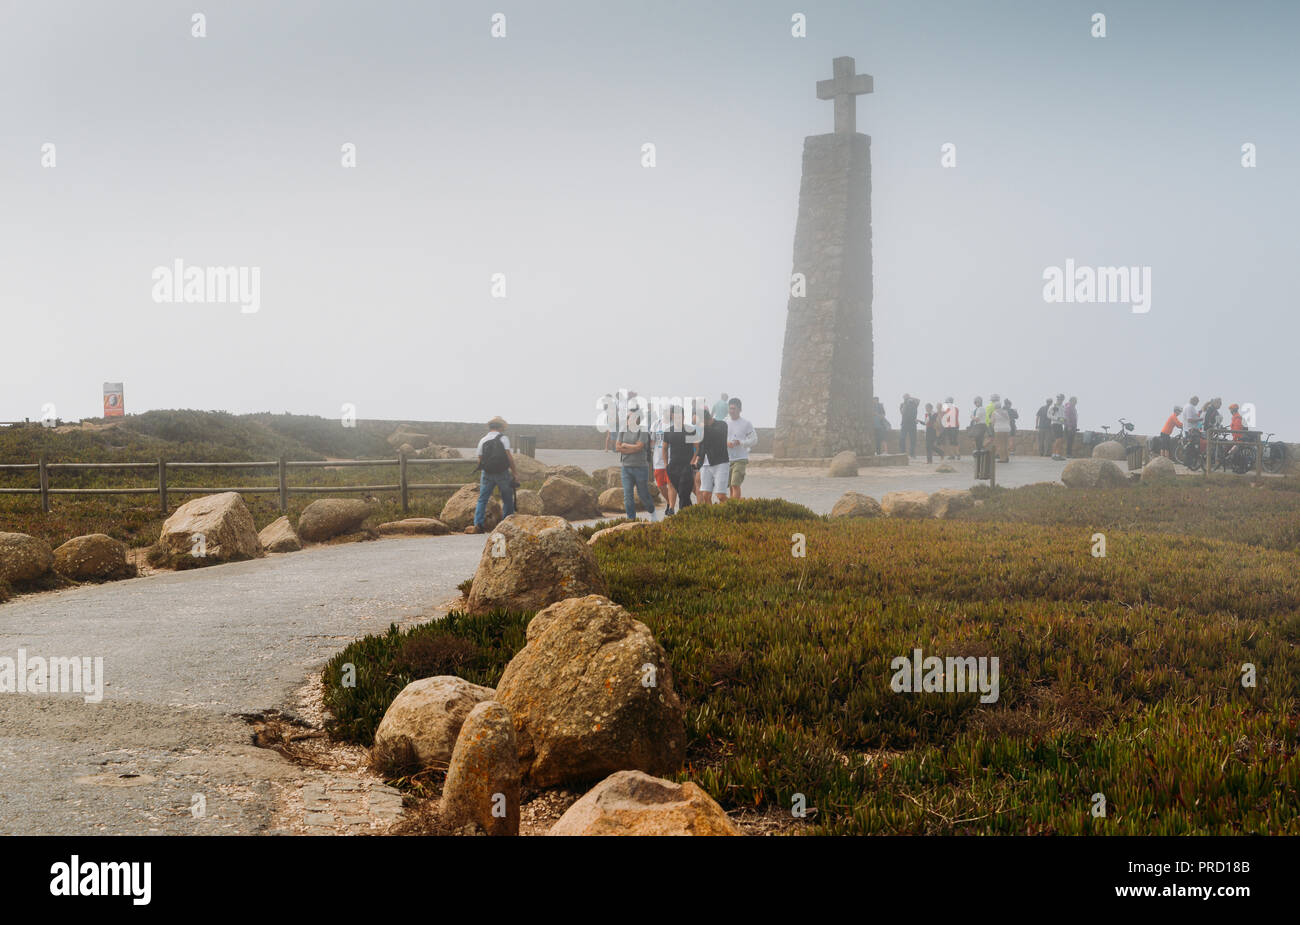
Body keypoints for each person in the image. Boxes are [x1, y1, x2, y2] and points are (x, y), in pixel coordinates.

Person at [470, 416, 518, 533]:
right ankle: (507, 524)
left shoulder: (483, 440)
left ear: (490, 426)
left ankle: (478, 524)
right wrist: (515, 473)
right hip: (502, 473)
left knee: (483, 499)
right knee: (507, 499)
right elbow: (509, 457)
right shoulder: (503, 438)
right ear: (501, 427)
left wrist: (486, 469)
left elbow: (480, 459)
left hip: (487, 473)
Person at [615, 412, 656, 522]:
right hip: (626, 468)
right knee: (627, 496)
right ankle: (631, 519)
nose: (631, 420)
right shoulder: (623, 430)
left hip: (641, 467)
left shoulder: (642, 430)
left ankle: (652, 511)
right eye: (629, 418)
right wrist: (630, 448)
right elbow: (617, 447)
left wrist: (625, 445)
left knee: (642, 494)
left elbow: (639, 447)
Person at [663, 404, 697, 510]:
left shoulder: (690, 430)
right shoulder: (668, 431)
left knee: (683, 490)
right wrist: (666, 464)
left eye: (680, 415)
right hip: (673, 466)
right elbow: (664, 448)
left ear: (683, 416)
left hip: (687, 465)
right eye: (675, 415)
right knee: (682, 492)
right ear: (672, 417)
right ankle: (688, 511)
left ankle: (683, 514)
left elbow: (697, 448)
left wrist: (693, 461)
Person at [695, 407, 731, 504]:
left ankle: (735, 509)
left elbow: (716, 434)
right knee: (705, 495)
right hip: (705, 465)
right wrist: (698, 457)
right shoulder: (703, 429)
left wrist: (703, 427)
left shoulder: (722, 425)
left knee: (721, 495)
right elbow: (702, 445)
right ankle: (711, 517)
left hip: (721, 463)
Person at [725, 397, 757, 499]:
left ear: (740, 409)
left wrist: (741, 442)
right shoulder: (725, 422)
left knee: (735, 484)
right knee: (730, 485)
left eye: (734, 408)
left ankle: (734, 508)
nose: (732, 411)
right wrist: (726, 443)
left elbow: (754, 440)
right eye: (730, 408)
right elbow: (721, 438)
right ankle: (733, 506)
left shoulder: (746, 423)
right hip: (727, 459)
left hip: (740, 459)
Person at [652, 411, 676, 515]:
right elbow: (652, 441)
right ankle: (668, 502)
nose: (667, 413)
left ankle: (671, 508)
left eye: (670, 411)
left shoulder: (675, 425)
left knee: (671, 484)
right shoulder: (656, 424)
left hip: (671, 459)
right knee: (660, 485)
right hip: (658, 459)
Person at [990, 394, 1010, 463]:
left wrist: (993, 427)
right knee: (1006, 444)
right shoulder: (1005, 411)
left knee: (1000, 444)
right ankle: (1007, 457)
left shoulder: (994, 412)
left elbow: (992, 422)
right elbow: (1008, 420)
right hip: (1007, 429)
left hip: (999, 429)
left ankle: (1002, 458)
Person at [899, 393, 920, 458]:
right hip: (904, 424)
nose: (906, 398)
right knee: (902, 438)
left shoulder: (914, 404)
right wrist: (905, 403)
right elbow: (902, 412)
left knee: (913, 439)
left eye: (907, 397)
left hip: (912, 423)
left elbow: (918, 400)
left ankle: (912, 454)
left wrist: (910, 398)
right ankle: (903, 453)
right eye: (905, 397)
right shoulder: (902, 404)